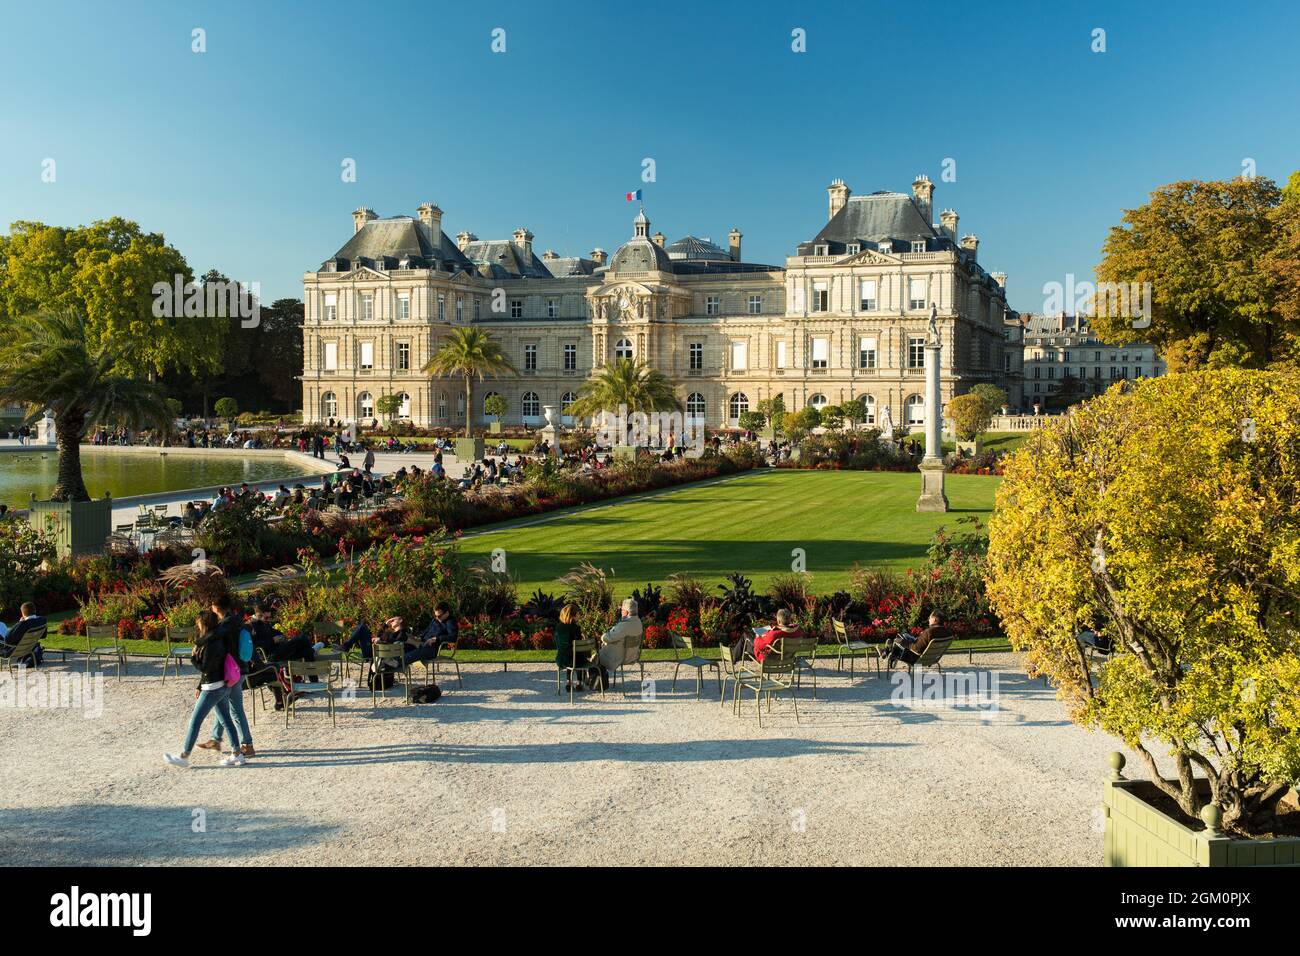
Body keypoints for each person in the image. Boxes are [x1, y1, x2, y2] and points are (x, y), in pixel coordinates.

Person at [164, 610, 246, 768]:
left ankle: (184, 756)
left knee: (195, 721)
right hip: (220, 685)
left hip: (213, 688)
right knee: (227, 720)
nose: (197, 625)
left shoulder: (211, 643)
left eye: (199, 622)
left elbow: (205, 667)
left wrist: (193, 658)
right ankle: (237, 754)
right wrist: (200, 685)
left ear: (204, 624)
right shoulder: (217, 638)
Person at [594, 598, 643, 691]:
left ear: (627, 612)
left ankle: (595, 683)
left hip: (619, 658)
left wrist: (602, 637)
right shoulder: (638, 622)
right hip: (633, 656)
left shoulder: (623, 626)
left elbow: (608, 637)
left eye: (622, 610)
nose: (621, 612)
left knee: (595, 658)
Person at [883, 610, 950, 669]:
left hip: (916, 659)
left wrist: (904, 643)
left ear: (935, 620)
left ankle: (887, 651)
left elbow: (916, 649)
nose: (929, 619)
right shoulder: (947, 632)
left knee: (898, 639)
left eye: (930, 618)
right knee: (905, 635)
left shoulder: (929, 632)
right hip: (932, 659)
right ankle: (887, 651)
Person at [554, 603, 594, 691]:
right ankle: (579, 682)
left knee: (569, 654)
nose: (579, 616)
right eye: (578, 614)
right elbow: (578, 645)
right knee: (577, 655)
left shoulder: (558, 627)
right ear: (574, 615)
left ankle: (568, 681)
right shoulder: (575, 628)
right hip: (575, 660)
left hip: (561, 659)